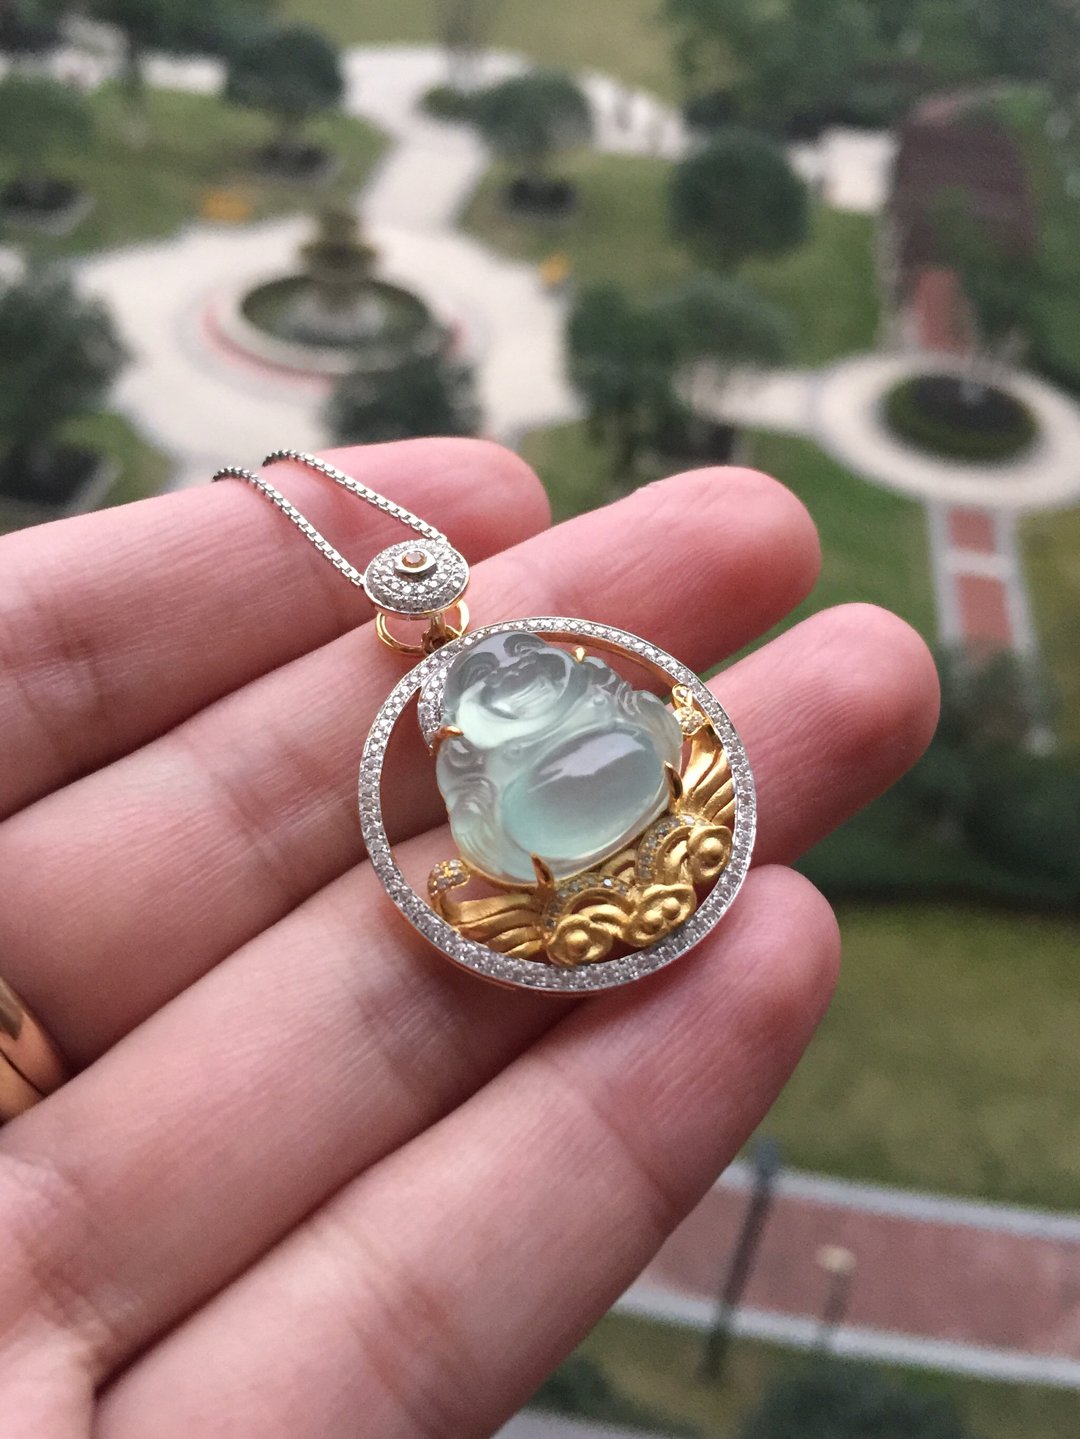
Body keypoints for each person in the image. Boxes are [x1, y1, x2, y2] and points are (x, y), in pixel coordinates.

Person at [0, 440, 938, 1436]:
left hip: (640, 797)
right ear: (455, 724)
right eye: (494, 687)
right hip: (549, 843)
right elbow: (482, 834)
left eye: (536, 664)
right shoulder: (466, 755)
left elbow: (657, 719)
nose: (517, 675)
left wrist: (621, 728)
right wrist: (502, 800)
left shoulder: (589, 687)